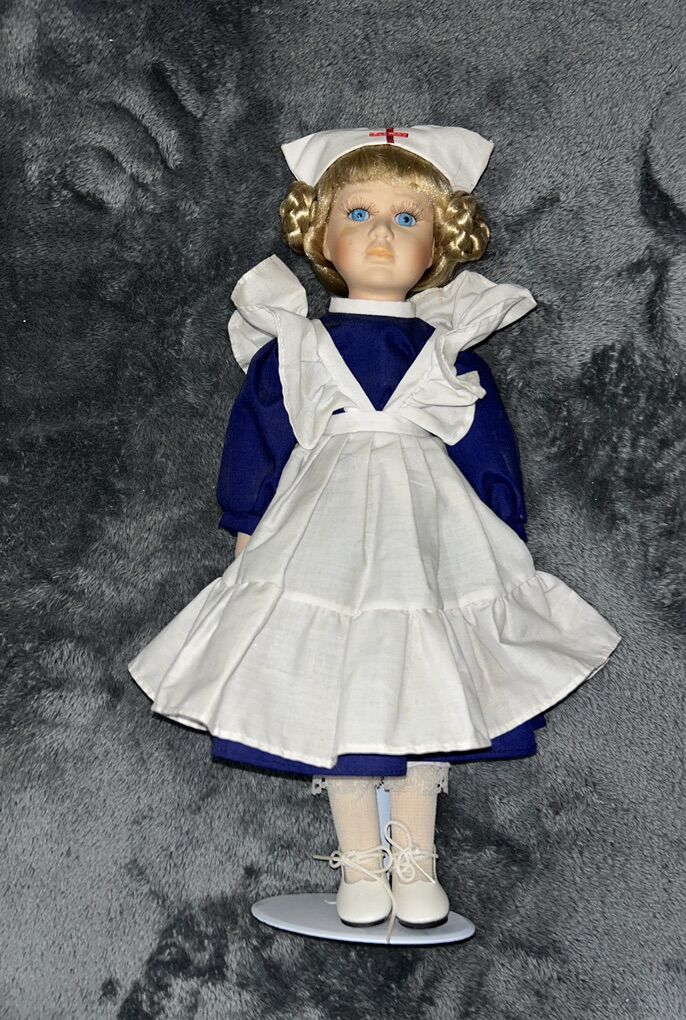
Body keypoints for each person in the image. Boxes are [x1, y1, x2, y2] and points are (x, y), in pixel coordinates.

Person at [128, 125, 622, 944]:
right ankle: (362, 866)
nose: (381, 236)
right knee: (337, 685)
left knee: (431, 682)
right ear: (320, 236)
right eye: (358, 214)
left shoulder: (448, 349)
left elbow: (486, 446)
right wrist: (246, 532)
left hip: (431, 533)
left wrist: (504, 534)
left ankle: (417, 864)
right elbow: (259, 438)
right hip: (319, 526)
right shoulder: (297, 345)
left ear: (439, 245)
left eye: (406, 219)